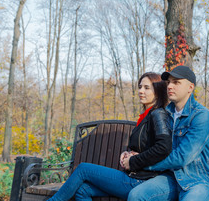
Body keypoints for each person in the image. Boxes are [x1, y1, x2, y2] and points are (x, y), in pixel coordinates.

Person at [48, 72, 172, 201]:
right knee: (83, 190)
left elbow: (163, 147)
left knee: (83, 169)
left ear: (158, 91)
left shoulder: (158, 114)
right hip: (133, 176)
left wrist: (134, 160)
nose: (141, 91)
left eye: (147, 88)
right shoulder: (146, 116)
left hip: (140, 181)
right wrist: (128, 153)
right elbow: (146, 145)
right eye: (140, 87)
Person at [128, 66, 209, 201]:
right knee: (136, 196)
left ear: (190, 87)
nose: (170, 86)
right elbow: (157, 147)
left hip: (199, 181)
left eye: (176, 82)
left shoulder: (201, 116)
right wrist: (132, 155)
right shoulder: (165, 114)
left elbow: (182, 157)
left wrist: (141, 163)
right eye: (169, 82)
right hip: (171, 178)